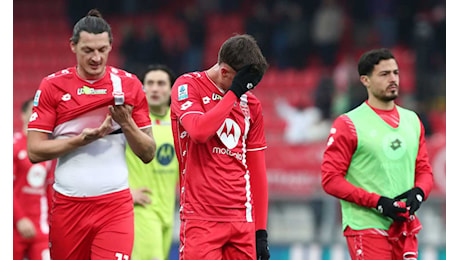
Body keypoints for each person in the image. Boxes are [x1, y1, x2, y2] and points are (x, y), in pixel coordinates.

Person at [26, 9, 155, 260]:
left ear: (110, 46)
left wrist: (125, 123)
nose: (96, 58)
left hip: (115, 207)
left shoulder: (128, 85)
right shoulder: (52, 86)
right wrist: (81, 140)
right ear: (73, 46)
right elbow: (34, 151)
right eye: (88, 50)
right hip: (68, 208)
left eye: (102, 50)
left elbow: (148, 152)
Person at [321, 48, 433, 260]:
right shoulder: (348, 123)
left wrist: (419, 193)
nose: (393, 79)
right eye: (384, 74)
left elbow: (424, 170)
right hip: (367, 227)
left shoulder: (413, 121)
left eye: (396, 73)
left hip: (404, 227)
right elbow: (330, 180)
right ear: (365, 80)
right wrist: (378, 202)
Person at [170, 34, 270, 260]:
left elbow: (257, 171)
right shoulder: (188, 85)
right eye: (242, 83)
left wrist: (260, 231)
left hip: (241, 220)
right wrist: (234, 93)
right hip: (201, 218)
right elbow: (198, 132)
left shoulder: (250, 104)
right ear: (225, 72)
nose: (247, 90)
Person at [127, 64, 179, 260]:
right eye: (149, 83)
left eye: (161, 83)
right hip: (141, 209)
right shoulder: (130, 122)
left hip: (167, 212)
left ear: (171, 89)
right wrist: (124, 192)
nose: (155, 88)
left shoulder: (180, 123)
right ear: (142, 88)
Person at [13, 98, 53, 260]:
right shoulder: (11, 145)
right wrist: (19, 219)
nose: (35, 116)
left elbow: (48, 189)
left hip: (40, 226)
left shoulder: (46, 149)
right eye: (32, 112)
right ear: (23, 115)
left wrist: (52, 221)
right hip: (13, 224)